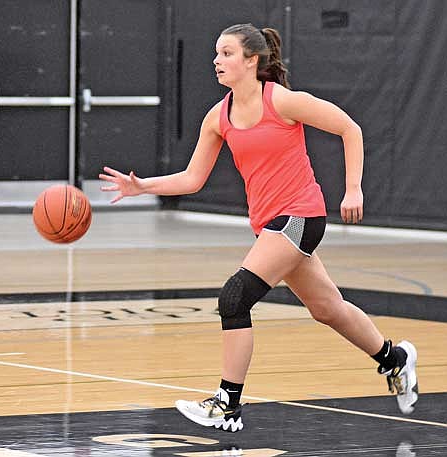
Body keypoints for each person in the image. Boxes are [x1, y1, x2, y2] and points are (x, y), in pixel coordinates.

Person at [99, 23, 418, 433]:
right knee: (327, 310)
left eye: (227, 53)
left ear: (252, 61)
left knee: (235, 297)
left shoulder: (282, 101)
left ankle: (227, 404)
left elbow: (349, 129)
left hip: (301, 215)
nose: (217, 60)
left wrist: (353, 188)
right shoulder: (218, 116)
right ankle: (395, 360)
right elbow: (193, 179)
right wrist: (143, 186)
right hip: (271, 225)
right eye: (216, 53)